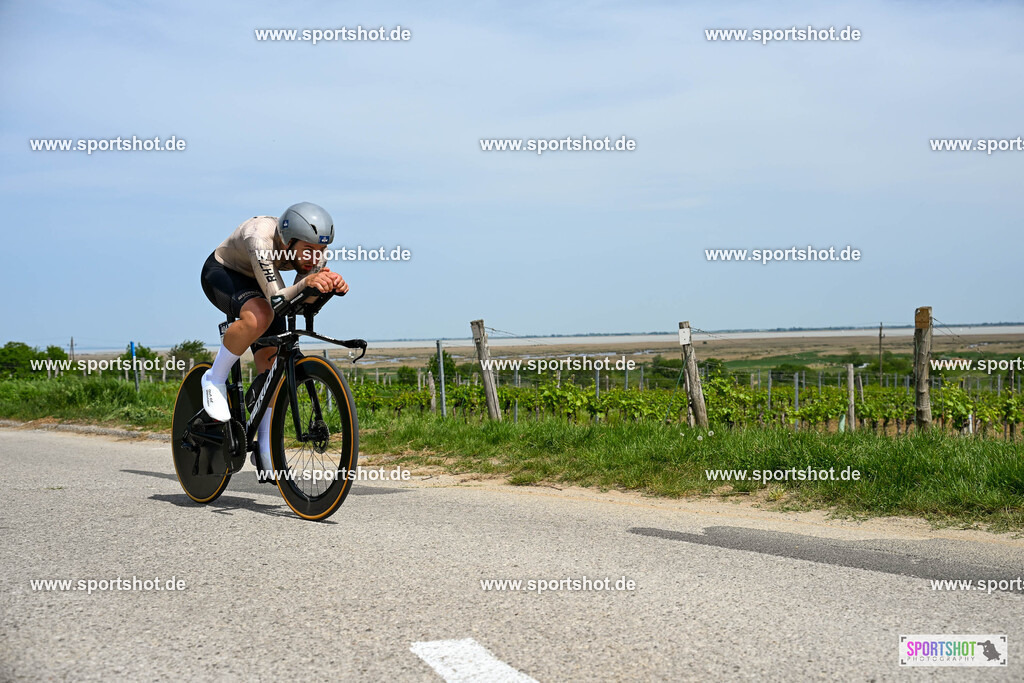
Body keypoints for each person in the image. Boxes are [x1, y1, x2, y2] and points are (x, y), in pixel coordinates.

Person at [199, 202, 348, 479]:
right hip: (226, 274)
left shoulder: (315, 254)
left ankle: (266, 449)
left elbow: (302, 303)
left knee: (273, 369)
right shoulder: (260, 237)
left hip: (268, 284)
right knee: (258, 316)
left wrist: (328, 287)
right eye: (309, 250)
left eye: (321, 251)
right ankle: (214, 378)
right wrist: (306, 284)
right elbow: (279, 299)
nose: (315, 258)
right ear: (288, 242)